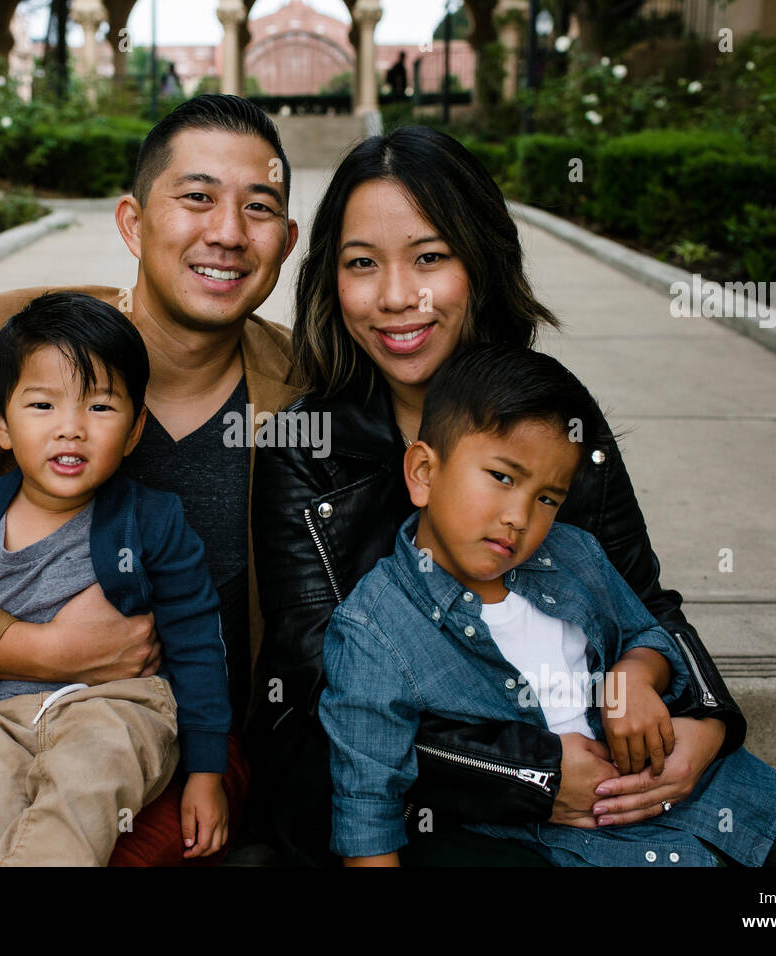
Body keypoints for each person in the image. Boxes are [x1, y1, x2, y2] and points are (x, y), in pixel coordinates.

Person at [0, 94, 301, 865]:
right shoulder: (1, 343)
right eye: (198, 197)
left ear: (286, 241)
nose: (229, 233)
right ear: (133, 223)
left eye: (260, 208)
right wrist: (46, 651)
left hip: (169, 739)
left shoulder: (308, 391)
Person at [248, 125, 747, 867]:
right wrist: (534, 773)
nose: (395, 298)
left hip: (610, 774)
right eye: (362, 264)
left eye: (429, 258)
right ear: (331, 281)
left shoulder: (552, 411)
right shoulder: (305, 446)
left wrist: (705, 720)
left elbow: (641, 600)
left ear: (479, 262)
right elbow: (322, 700)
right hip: (423, 810)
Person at [319, 345, 776, 866]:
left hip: (695, 788)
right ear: (423, 471)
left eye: (548, 497)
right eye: (502, 477)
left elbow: (652, 632)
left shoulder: (573, 555)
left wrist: (634, 675)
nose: (520, 518)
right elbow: (367, 803)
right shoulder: (375, 628)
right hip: (556, 831)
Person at [0, 292, 231, 865]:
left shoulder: (151, 520)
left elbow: (199, 644)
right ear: (0, 423)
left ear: (133, 431)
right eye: (42, 406)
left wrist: (206, 770)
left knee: (82, 791)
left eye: (100, 408)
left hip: (118, 707)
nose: (71, 429)